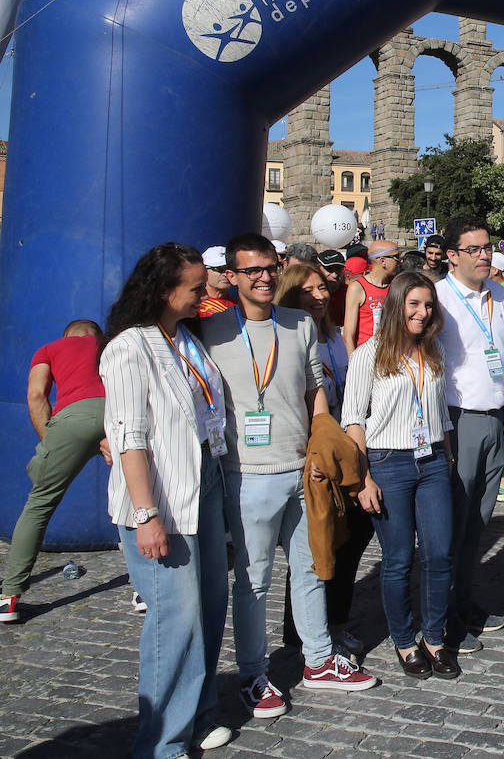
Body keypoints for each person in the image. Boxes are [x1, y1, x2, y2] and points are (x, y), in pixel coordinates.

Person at [203, 233, 375, 719]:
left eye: (269, 268)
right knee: (254, 581)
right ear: (232, 276)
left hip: (302, 470)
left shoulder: (299, 323)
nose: (262, 277)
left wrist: (322, 447)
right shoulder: (211, 330)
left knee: (313, 566)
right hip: (245, 474)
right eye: (251, 270)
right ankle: (253, 673)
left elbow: (314, 391)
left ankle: (318, 659)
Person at [98, 243, 232, 755]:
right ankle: (160, 741)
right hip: (160, 495)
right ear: (163, 290)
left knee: (209, 606)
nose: (205, 293)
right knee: (174, 619)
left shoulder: (184, 336)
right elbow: (129, 435)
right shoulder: (130, 346)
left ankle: (197, 712)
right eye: (196, 287)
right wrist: (146, 513)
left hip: (205, 477)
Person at [341, 271, 459, 679]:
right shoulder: (368, 354)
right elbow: (353, 420)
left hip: (431, 464)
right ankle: (405, 641)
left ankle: (435, 637)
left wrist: (447, 461)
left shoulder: (434, 351)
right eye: (414, 304)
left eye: (428, 305)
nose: (423, 313)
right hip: (387, 461)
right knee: (397, 559)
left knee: (440, 553)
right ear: (395, 306)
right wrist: (363, 479)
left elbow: (441, 415)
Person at [275, 262, 372, 658]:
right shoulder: (287, 338)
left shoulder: (331, 336)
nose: (318, 295)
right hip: (312, 450)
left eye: (321, 288)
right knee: (315, 544)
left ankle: (335, 620)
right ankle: (300, 633)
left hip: (344, 446)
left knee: (352, 535)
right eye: (307, 290)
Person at [1, 320, 110, 624]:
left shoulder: (50, 348)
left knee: (40, 503)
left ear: (67, 336)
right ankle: (144, 593)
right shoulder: (112, 343)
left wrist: (52, 444)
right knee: (133, 502)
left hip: (72, 418)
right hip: (119, 412)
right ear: (96, 335)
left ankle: (9, 596)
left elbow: (37, 395)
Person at [434, 218, 504, 644]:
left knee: (479, 520)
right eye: (475, 249)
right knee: (453, 521)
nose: (485, 256)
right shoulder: (438, 297)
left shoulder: (498, 293)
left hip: (494, 416)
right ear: (452, 256)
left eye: (487, 248)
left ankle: (463, 600)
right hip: (456, 418)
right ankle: (443, 612)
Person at [343, 240, 399, 353]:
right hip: (368, 356)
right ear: (383, 261)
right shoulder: (357, 288)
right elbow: (348, 335)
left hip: (392, 355)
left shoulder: (396, 284)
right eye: (396, 257)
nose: (400, 261)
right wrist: (353, 364)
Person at [199, 246, 237, 317]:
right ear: (204, 271)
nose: (226, 274)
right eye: (219, 269)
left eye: (230, 269)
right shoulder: (194, 308)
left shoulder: (239, 306)